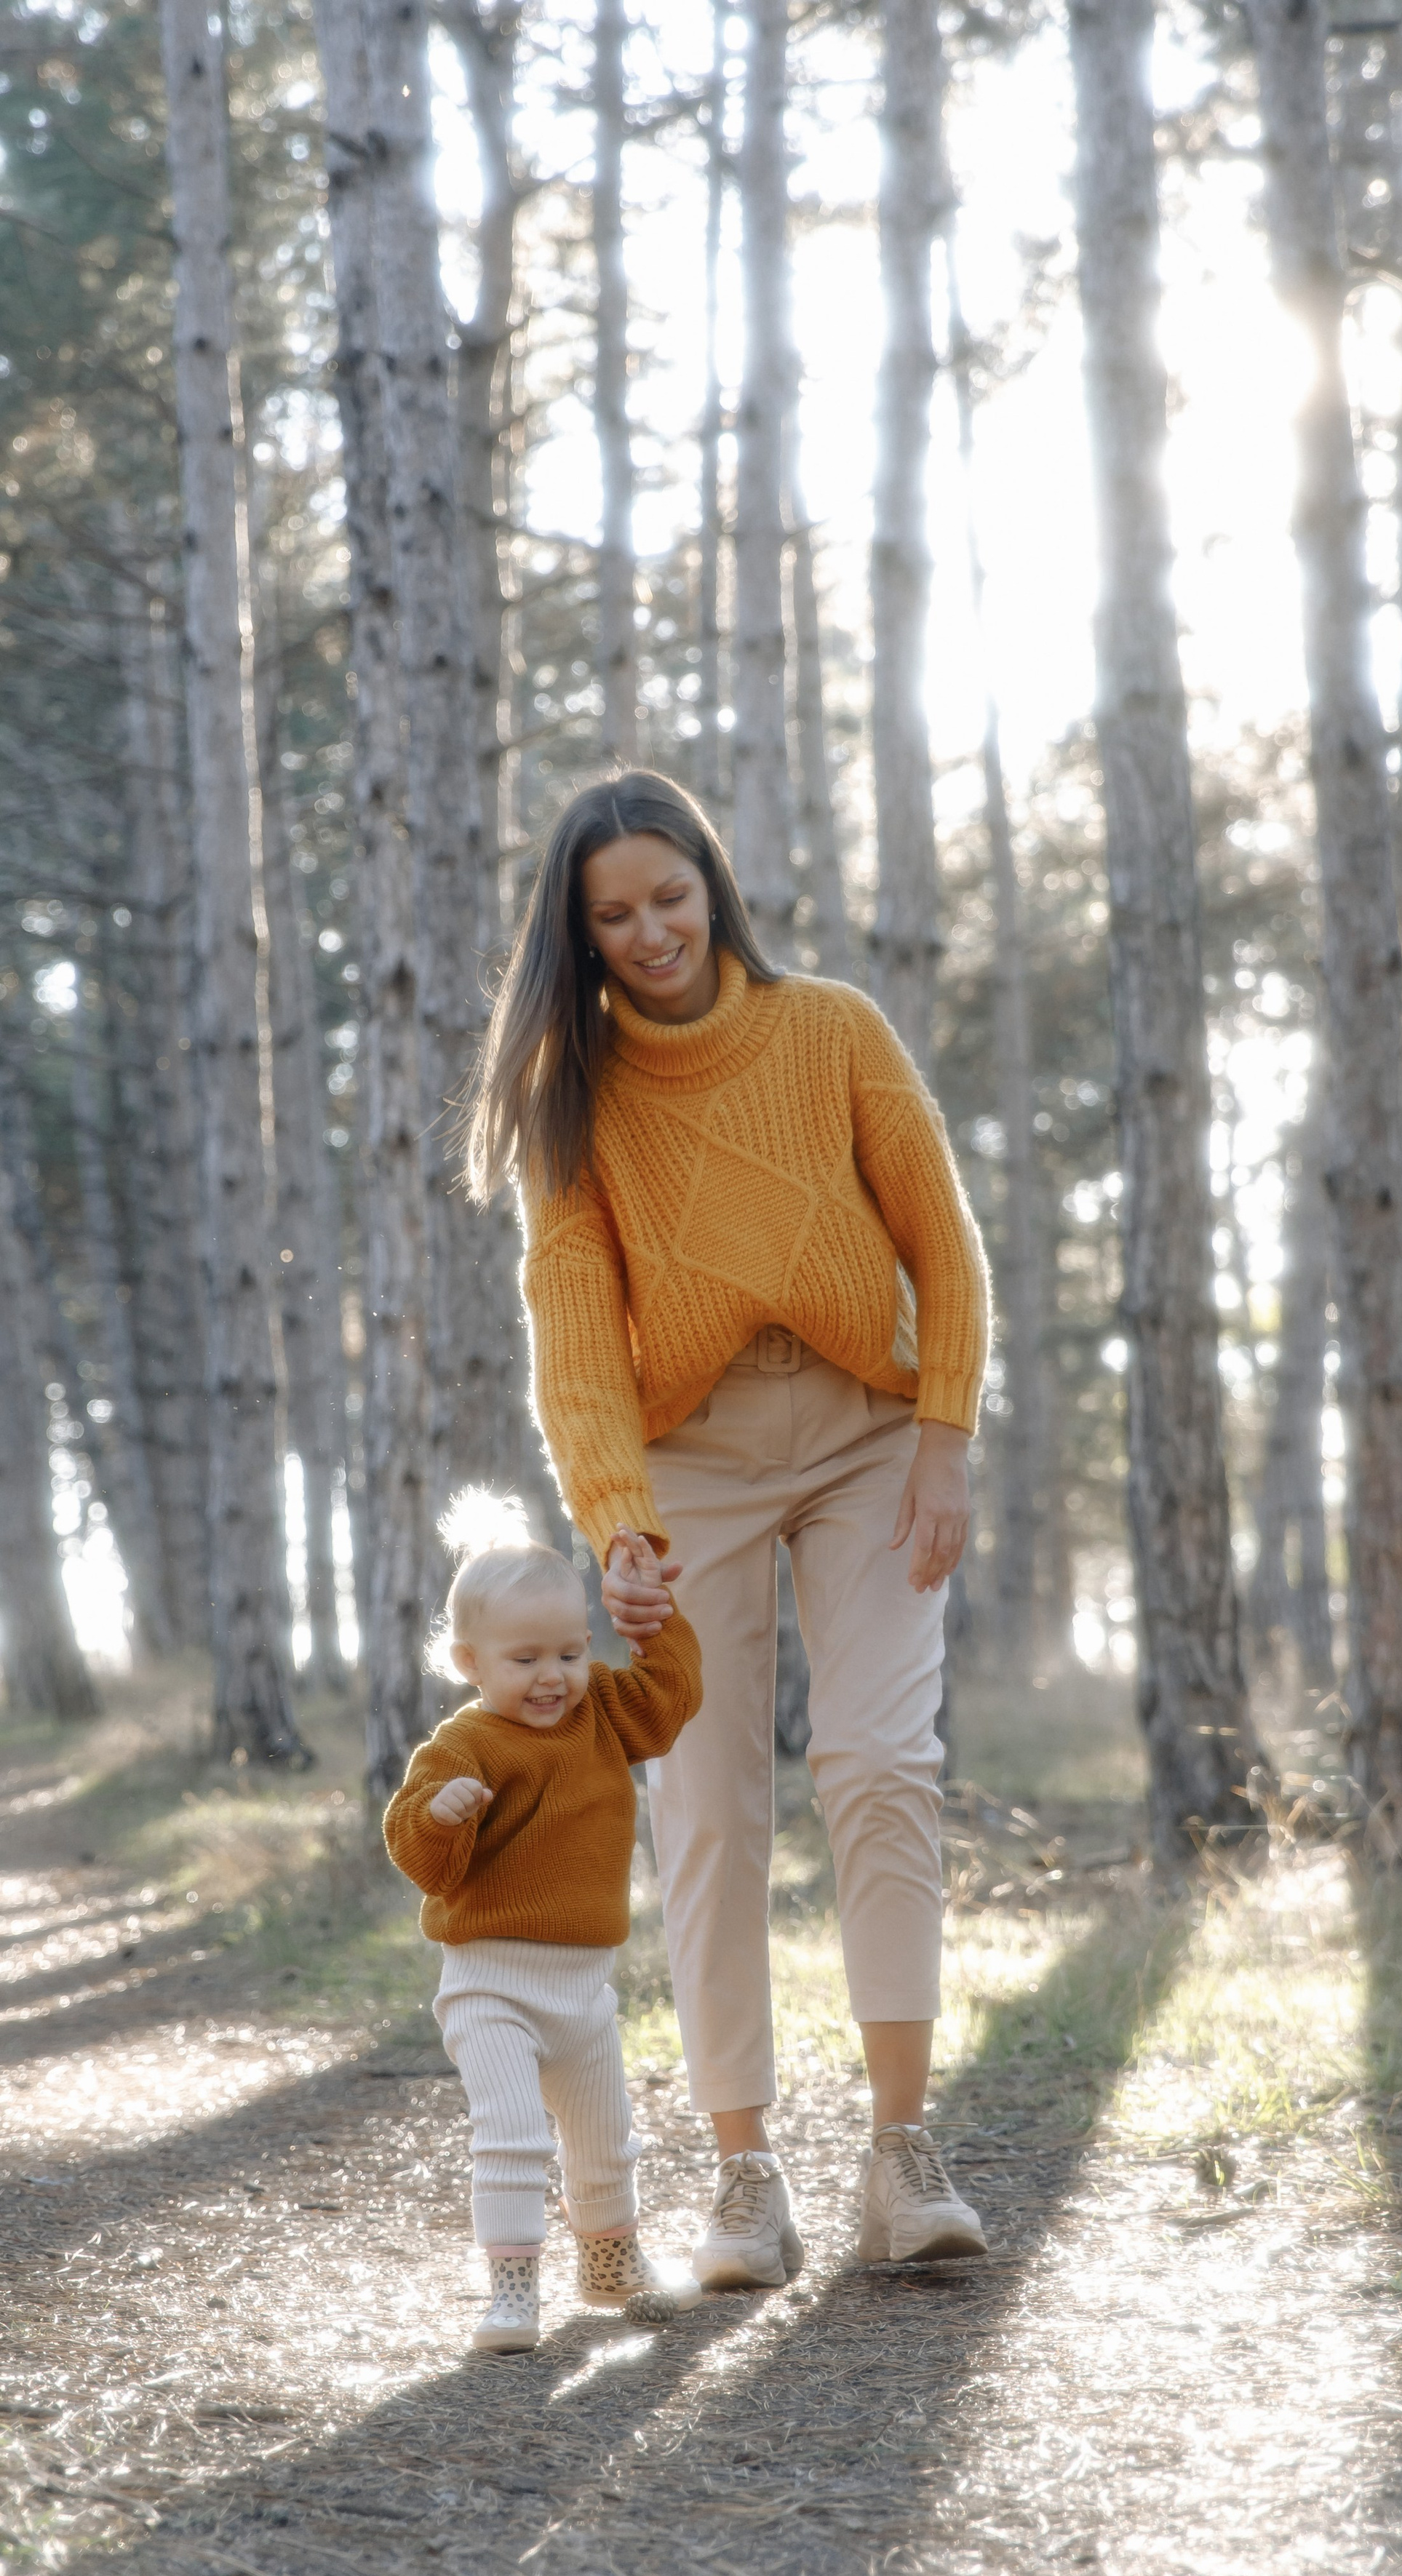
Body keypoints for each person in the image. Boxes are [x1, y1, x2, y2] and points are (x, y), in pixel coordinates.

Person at [466, 768, 990, 2289]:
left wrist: (945, 1438)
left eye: (669, 897)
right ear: (577, 932)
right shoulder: (570, 1098)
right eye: (614, 914)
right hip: (687, 1456)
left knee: (878, 1761)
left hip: (869, 1432)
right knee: (704, 1803)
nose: (650, 932)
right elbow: (574, 1339)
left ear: (714, 885)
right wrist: (616, 1524)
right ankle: (744, 2172)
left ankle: (902, 2151)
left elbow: (942, 1243)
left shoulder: (831, 1029)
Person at [383, 1512, 701, 2355]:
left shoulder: (601, 1712)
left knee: (604, 2139)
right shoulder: (463, 1745)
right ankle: (512, 2285)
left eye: (567, 1651)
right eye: (523, 1660)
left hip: (584, 1988)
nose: (551, 1677)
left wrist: (658, 1624)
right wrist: (440, 1815)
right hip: (490, 1983)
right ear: (470, 1662)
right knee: (513, 2132)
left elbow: (669, 1701)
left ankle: (610, 2263)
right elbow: (420, 1855)